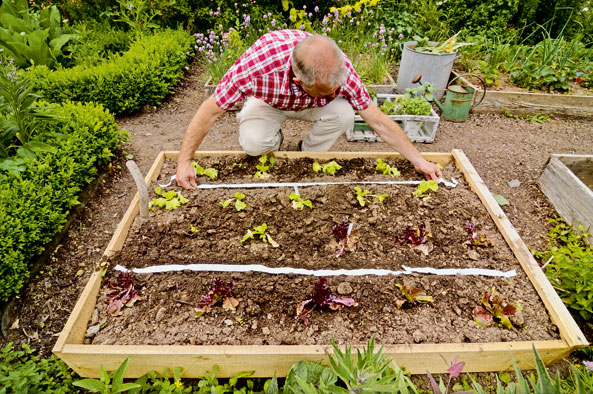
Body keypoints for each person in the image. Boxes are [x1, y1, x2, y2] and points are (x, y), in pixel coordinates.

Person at [176, 29, 442, 189]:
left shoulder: (339, 70)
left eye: (338, 88)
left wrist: (419, 160)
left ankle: (306, 154)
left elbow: (378, 121)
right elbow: (209, 111)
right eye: (329, 90)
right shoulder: (257, 67)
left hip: (314, 105)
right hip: (270, 103)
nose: (338, 92)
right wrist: (185, 161)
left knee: (345, 113)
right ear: (299, 81)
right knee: (255, 144)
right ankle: (275, 141)